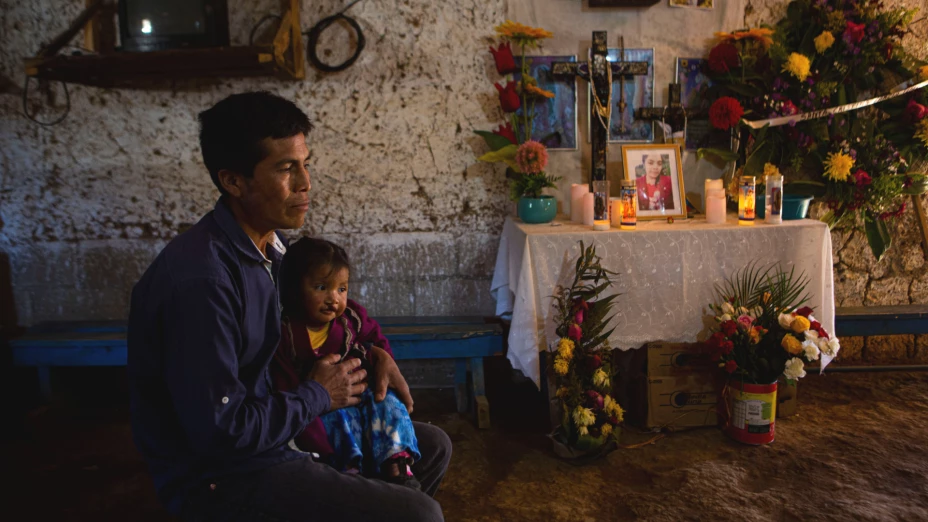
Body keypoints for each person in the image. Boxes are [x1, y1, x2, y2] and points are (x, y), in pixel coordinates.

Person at [127, 91, 450, 522]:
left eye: (305, 163)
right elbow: (223, 433)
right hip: (222, 476)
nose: (305, 183)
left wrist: (372, 354)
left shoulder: (273, 252)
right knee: (418, 514)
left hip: (274, 434)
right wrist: (318, 394)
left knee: (431, 447)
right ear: (234, 181)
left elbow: (329, 319)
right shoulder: (202, 282)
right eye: (285, 168)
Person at [270, 237, 421, 489]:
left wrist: (381, 356)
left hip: (365, 393)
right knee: (337, 420)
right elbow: (286, 386)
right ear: (294, 289)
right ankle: (348, 469)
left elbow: (377, 340)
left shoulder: (351, 318)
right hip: (327, 406)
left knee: (389, 405)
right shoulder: (285, 335)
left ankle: (397, 463)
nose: (334, 299)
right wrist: (315, 443)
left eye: (342, 289)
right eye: (321, 287)